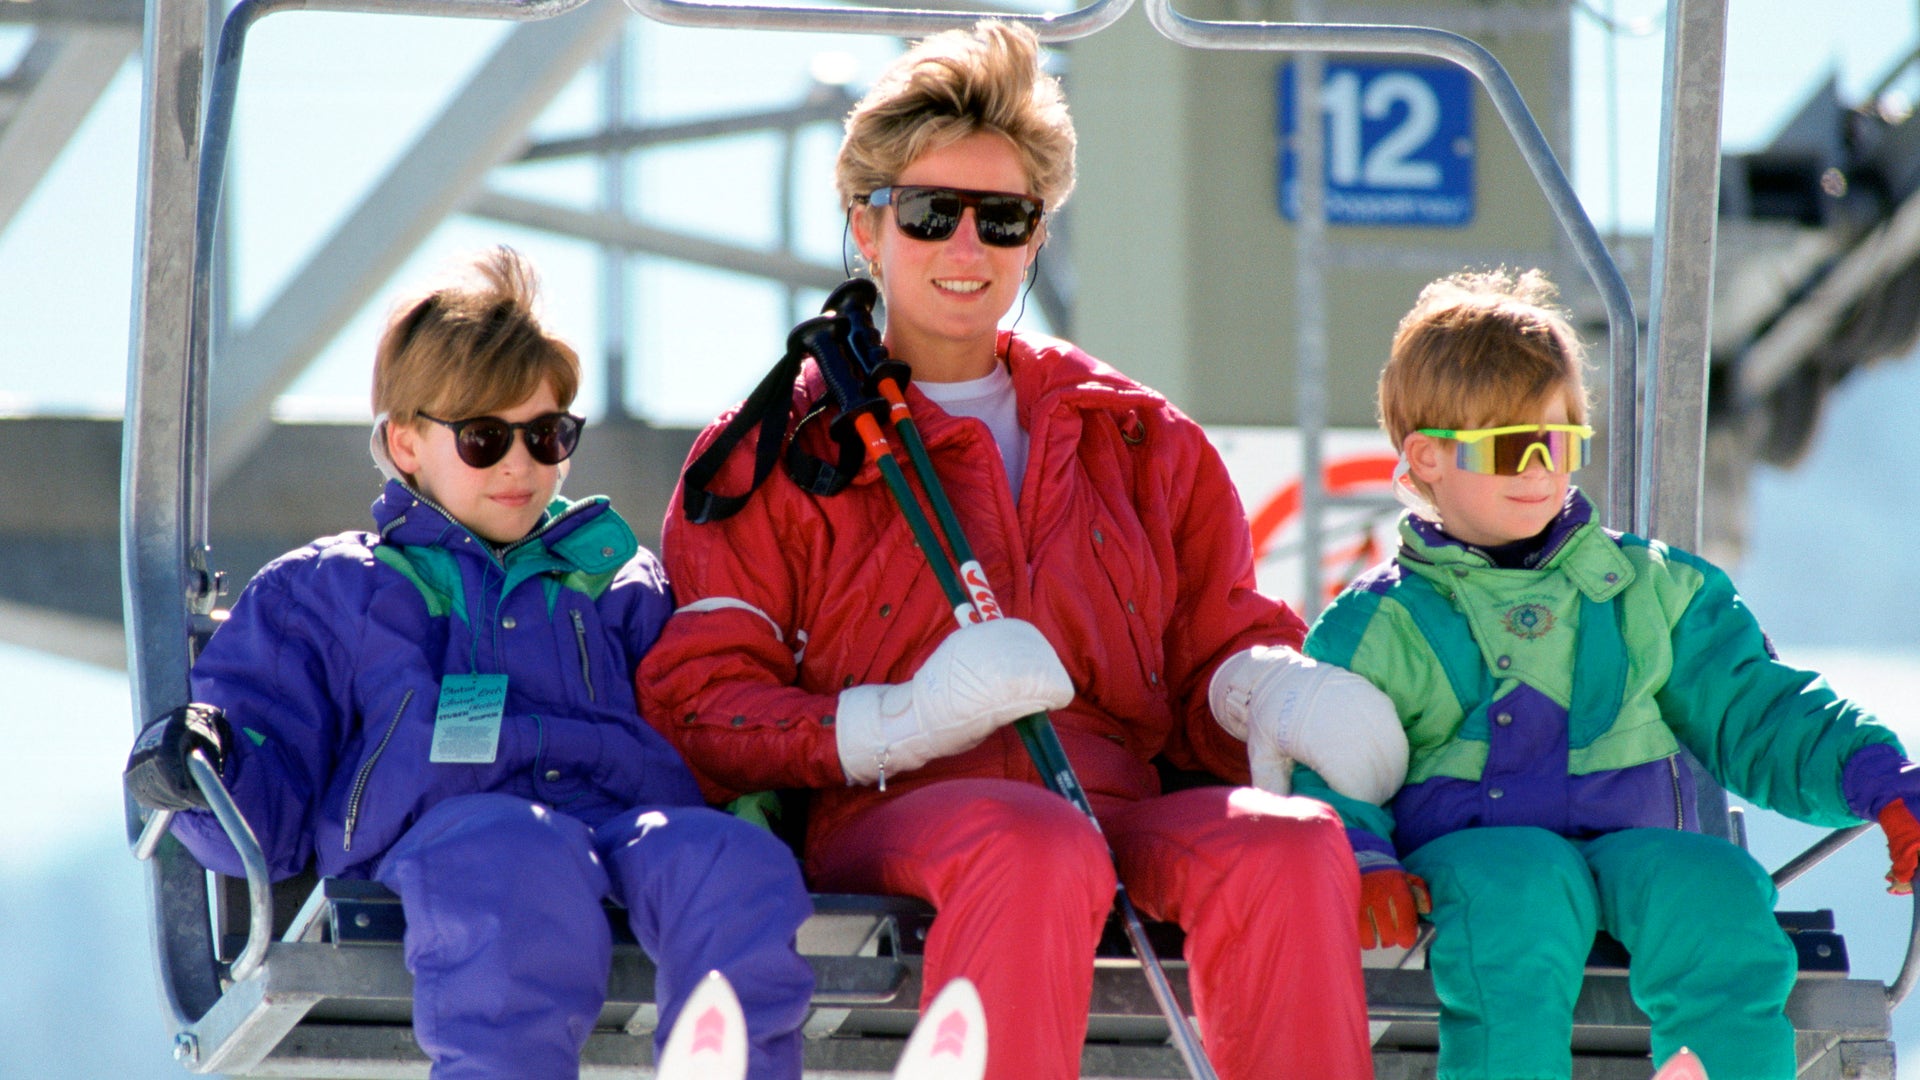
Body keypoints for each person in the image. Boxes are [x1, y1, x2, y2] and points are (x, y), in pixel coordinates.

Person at [638, 21, 1405, 1080]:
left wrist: (1265, 693)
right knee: (1028, 842)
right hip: (896, 804)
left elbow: (1207, 652)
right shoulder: (780, 449)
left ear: (1038, 237)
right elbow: (702, 701)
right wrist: (897, 719)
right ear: (868, 228)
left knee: (1288, 842)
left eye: (1002, 219)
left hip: (1116, 805)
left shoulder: (1139, 439)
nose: (966, 247)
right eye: (928, 213)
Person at [122, 247, 815, 1080]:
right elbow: (269, 770)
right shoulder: (340, 592)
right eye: (485, 439)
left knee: (730, 865)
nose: (522, 464)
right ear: (407, 443)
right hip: (452, 837)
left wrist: (771, 795)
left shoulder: (618, 583)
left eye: (548, 434)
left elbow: (702, 717)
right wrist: (210, 764)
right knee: (512, 861)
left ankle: (728, 1060)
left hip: (621, 828)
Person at [1300, 267, 1920, 1080]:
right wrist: (1362, 859)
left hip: (1632, 846)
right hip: (1474, 857)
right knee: (1519, 893)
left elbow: (1757, 709)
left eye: (1559, 445)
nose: (1539, 473)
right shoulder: (1383, 624)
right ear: (1428, 459)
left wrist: (1879, 777)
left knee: (1716, 888)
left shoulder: (1649, 592)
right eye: (1512, 448)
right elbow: (1325, 758)